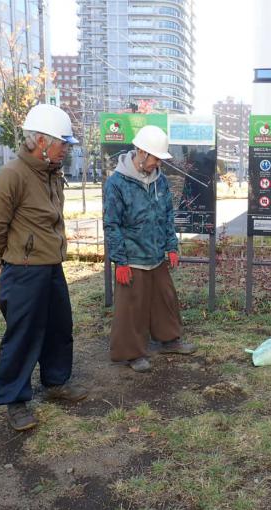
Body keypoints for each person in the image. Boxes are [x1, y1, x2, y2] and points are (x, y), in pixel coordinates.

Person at [0, 104, 87, 431]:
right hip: (24, 270)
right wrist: (14, 256)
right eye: (62, 143)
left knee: (59, 327)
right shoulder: (12, 175)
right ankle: (14, 400)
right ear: (41, 142)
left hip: (51, 266)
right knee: (24, 335)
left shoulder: (51, 173)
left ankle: (56, 382)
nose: (66, 149)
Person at [103, 125, 196, 373]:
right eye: (156, 158)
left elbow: (167, 214)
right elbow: (112, 224)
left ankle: (169, 340)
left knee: (164, 297)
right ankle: (132, 352)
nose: (158, 163)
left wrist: (171, 246)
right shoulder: (117, 183)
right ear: (141, 152)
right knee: (131, 306)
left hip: (156, 254)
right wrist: (120, 261)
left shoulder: (160, 181)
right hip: (132, 257)